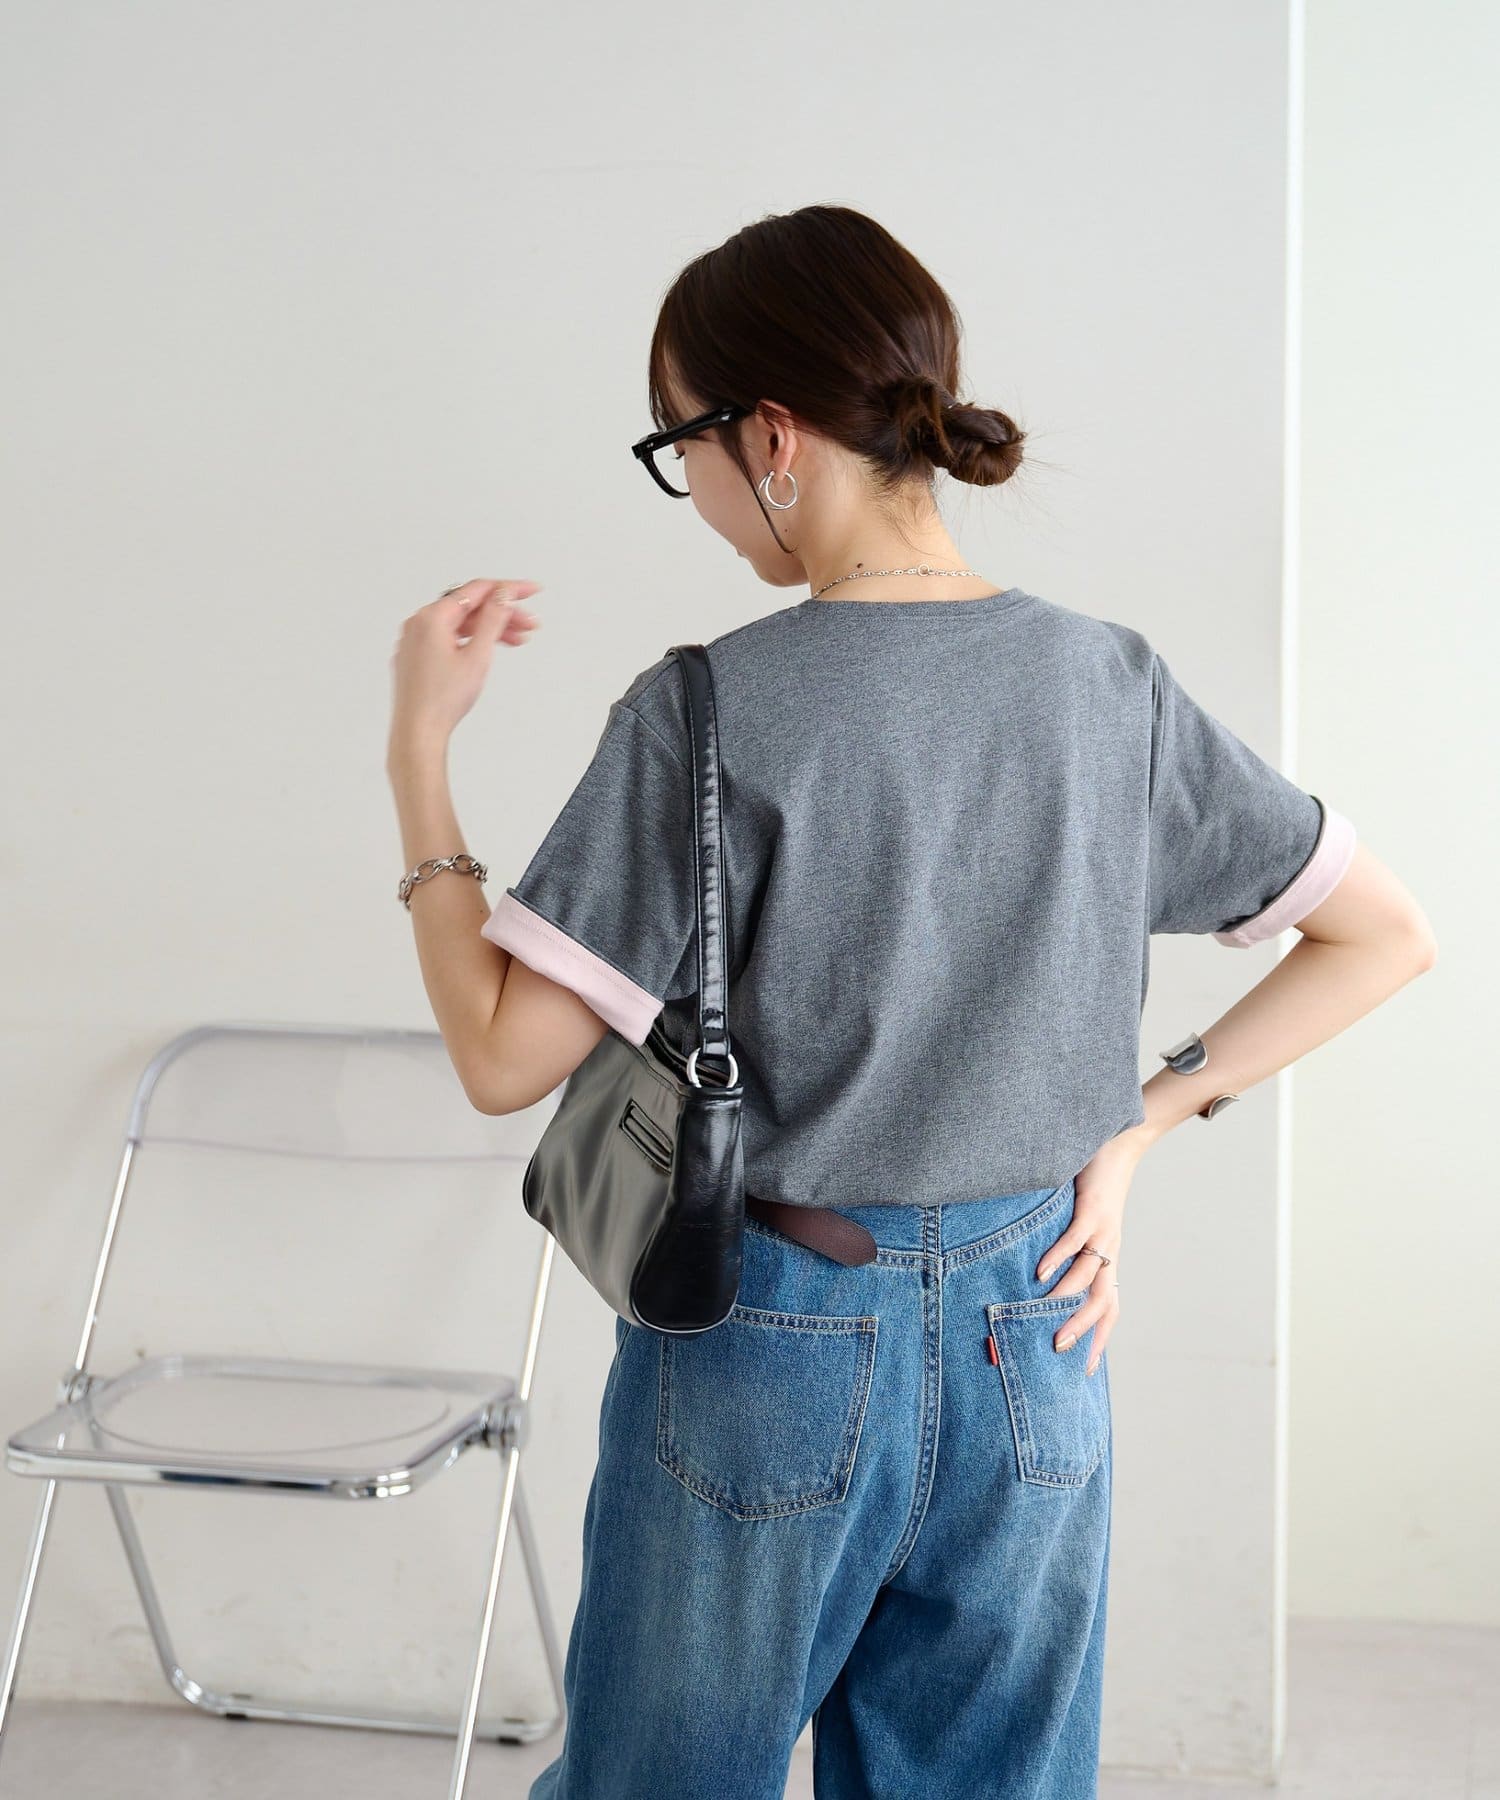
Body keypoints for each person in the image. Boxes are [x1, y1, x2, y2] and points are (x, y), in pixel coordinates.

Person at [386, 204, 1437, 1799]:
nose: (695, 494)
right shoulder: (1108, 684)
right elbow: (1384, 935)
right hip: (1040, 1333)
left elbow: (498, 1054)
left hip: (767, 1335)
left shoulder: (707, 710)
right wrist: (1139, 1127)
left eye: (682, 446)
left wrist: (419, 752)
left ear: (771, 436)